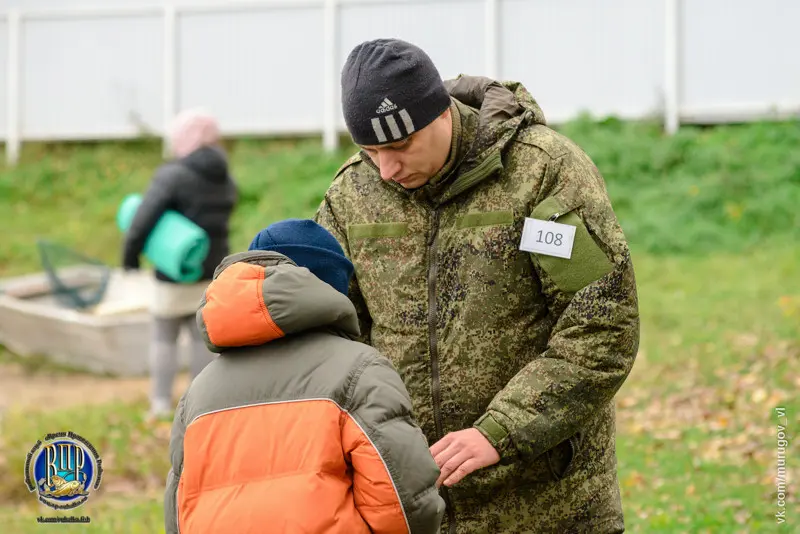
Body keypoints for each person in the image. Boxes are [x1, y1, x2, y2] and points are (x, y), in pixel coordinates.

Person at [314, 38, 640, 533]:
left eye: (400, 146)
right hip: (415, 509)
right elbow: (333, 339)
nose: (387, 169)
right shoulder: (351, 197)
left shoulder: (540, 172)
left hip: (549, 506)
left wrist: (502, 431)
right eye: (370, 150)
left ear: (441, 113)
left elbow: (601, 326)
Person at [163, 219, 446, 534]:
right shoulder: (359, 370)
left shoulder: (199, 390)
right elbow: (402, 502)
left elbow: (178, 510)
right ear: (330, 290)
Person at [121, 108, 238, 418]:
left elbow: (143, 218)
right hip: (212, 270)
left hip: (173, 273)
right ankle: (199, 405)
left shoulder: (172, 174)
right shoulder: (225, 176)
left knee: (164, 336)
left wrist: (130, 256)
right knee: (201, 338)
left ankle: (160, 404)